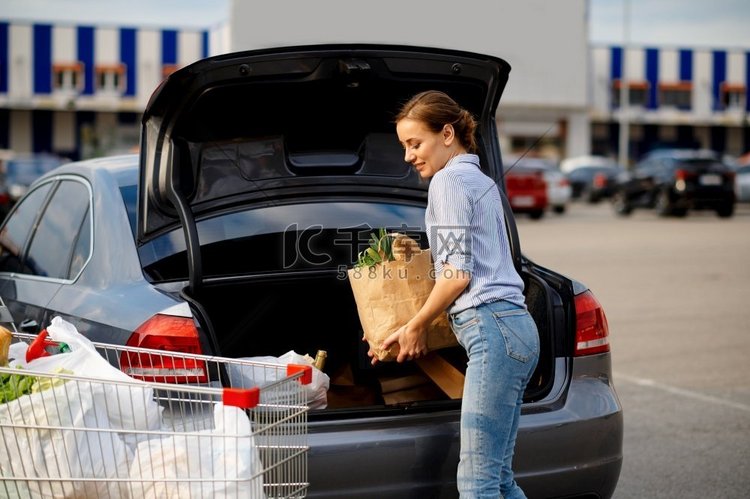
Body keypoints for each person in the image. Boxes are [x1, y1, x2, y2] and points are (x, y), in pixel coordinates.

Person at [375, 90, 540, 498]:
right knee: (498, 477)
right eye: (404, 146)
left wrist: (415, 326)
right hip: (515, 329)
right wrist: (422, 254)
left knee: (477, 482)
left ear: (447, 133)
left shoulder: (448, 182)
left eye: (415, 143)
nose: (408, 156)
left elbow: (457, 276)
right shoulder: (479, 179)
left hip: (493, 329)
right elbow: (469, 256)